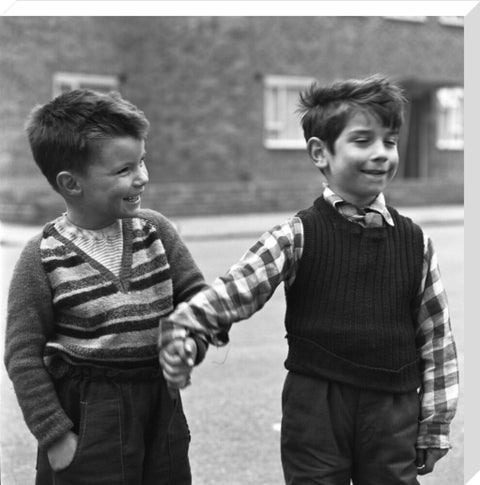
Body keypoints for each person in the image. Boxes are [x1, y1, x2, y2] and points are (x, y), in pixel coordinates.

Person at [158, 74, 459, 485]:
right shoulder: (298, 234)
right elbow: (237, 288)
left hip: (393, 405)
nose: (381, 154)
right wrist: (187, 325)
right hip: (317, 403)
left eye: (389, 141)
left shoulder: (415, 242)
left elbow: (436, 336)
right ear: (321, 152)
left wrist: (435, 422)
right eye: (362, 140)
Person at [4, 89, 207, 485]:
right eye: (123, 170)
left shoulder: (157, 232)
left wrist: (190, 341)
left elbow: (199, 300)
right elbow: (22, 355)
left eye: (142, 161)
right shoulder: (41, 257)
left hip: (160, 409)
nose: (142, 177)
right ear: (71, 184)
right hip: (88, 414)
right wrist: (56, 435)